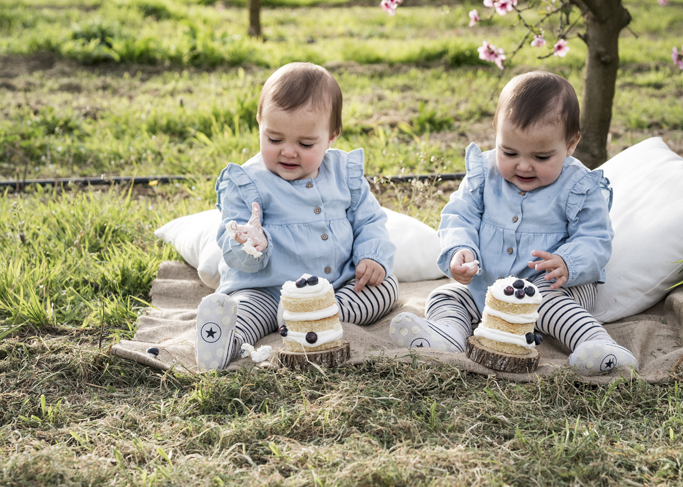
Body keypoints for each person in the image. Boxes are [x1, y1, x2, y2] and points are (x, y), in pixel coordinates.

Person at [389, 71, 637, 376]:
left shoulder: (579, 187)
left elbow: (596, 237)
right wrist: (460, 248)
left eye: (542, 156)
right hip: (488, 285)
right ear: (496, 133)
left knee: (545, 303)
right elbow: (459, 214)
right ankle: (446, 335)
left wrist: (568, 262)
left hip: (555, 284)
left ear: (570, 144)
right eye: (509, 152)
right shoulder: (484, 174)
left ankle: (596, 343)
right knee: (446, 296)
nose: (523, 165)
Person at [196, 62, 397, 371]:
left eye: (305, 144)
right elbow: (232, 241)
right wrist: (250, 244)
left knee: (385, 288)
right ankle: (224, 341)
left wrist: (372, 256)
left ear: (331, 136)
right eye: (274, 139)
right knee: (246, 310)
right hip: (267, 289)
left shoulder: (346, 175)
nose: (288, 152)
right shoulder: (246, 183)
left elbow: (370, 221)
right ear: (260, 123)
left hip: (336, 287)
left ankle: (321, 317)